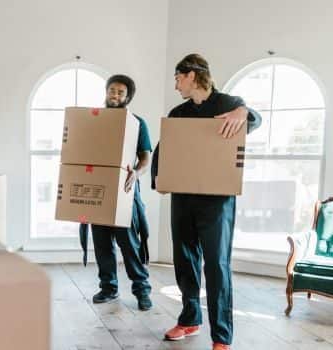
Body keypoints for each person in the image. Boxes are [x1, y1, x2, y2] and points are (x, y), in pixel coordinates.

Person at [151, 54, 262, 350]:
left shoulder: (228, 104)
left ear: (190, 75)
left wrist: (244, 112)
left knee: (216, 265)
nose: (175, 85)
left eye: (177, 78)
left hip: (216, 201)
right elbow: (164, 150)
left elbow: (256, 119)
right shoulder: (177, 113)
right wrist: (159, 180)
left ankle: (221, 336)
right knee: (185, 261)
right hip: (183, 198)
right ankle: (189, 319)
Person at [78, 74, 154, 311]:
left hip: (124, 189)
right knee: (101, 243)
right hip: (97, 187)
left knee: (129, 242)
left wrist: (137, 173)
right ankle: (109, 288)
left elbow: (145, 157)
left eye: (121, 92)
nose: (115, 95)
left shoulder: (136, 123)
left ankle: (142, 289)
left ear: (127, 97)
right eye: (112, 90)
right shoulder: (94, 119)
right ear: (106, 91)